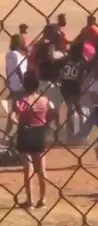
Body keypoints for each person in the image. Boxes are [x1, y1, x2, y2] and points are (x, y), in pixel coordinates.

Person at [10, 71, 55, 209]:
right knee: (41, 169)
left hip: (25, 132)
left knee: (27, 169)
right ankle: (43, 199)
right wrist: (45, 122)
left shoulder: (22, 101)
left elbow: (13, 116)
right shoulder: (44, 99)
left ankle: (30, 201)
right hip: (39, 132)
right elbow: (52, 109)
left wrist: (19, 123)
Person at [58, 42, 88, 144]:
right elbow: (82, 76)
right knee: (80, 111)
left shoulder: (65, 59)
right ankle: (82, 135)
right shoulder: (82, 61)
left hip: (65, 87)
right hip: (76, 87)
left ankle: (69, 135)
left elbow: (60, 72)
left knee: (70, 111)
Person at [3, 34, 27, 143]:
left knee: (15, 108)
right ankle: (21, 131)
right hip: (20, 85)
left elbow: (8, 69)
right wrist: (24, 83)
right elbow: (19, 70)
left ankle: (7, 135)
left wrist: (8, 79)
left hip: (13, 84)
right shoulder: (18, 55)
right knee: (20, 110)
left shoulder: (9, 54)